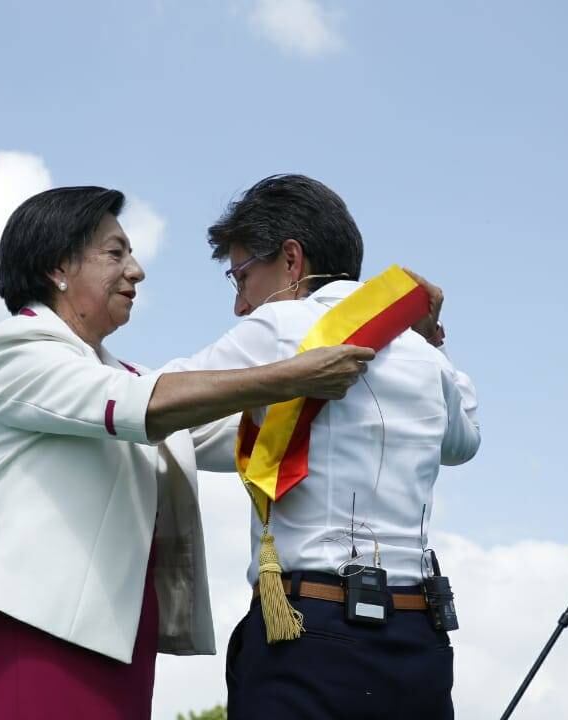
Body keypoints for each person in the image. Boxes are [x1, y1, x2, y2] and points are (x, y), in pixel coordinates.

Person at [0, 185, 376, 720]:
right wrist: (285, 375)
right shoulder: (14, 349)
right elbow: (142, 406)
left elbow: (242, 432)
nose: (137, 269)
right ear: (58, 266)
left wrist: (391, 336)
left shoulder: (125, 376)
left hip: (122, 648)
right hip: (35, 636)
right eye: (115, 252)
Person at [163, 174, 481, 719]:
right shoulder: (423, 355)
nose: (240, 304)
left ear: (291, 260)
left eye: (241, 276)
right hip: (418, 637)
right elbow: (463, 442)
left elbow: (158, 405)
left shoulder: (279, 327)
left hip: (310, 631)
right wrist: (429, 342)